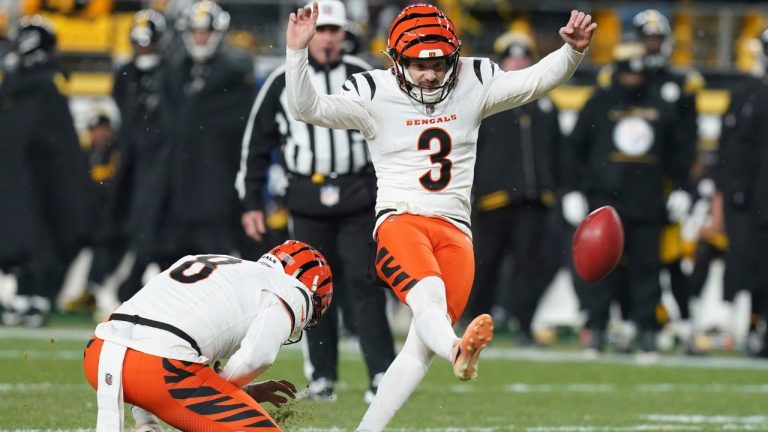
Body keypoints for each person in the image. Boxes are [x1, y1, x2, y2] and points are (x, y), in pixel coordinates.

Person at [284, 3, 595, 430]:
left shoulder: (474, 79)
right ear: (396, 60)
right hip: (401, 220)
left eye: (438, 64)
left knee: (418, 349)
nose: (429, 75)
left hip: (456, 231)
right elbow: (307, 108)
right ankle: (457, 351)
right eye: (417, 65)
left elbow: (532, 82)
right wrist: (296, 53)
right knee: (427, 300)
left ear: (454, 57)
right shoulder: (374, 93)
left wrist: (571, 53)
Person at [237, 0, 395, 402]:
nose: (326, 38)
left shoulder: (363, 75)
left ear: (345, 34)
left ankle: (381, 374)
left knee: (365, 283)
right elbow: (256, 144)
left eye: (333, 31)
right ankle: (322, 377)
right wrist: (252, 200)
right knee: (310, 290)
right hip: (306, 196)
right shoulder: (280, 79)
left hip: (359, 195)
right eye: (321, 30)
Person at [83, 240, 334, 431]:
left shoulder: (211, 262)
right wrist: (230, 385)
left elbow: (150, 328)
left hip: (99, 352)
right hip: (157, 368)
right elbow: (256, 358)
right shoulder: (291, 289)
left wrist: (237, 390)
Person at [561, 42, 693, 356]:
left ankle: (647, 329)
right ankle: (596, 327)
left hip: (647, 203)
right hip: (604, 203)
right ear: (618, 71)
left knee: (647, 272)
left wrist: (682, 188)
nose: (634, 77)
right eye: (628, 70)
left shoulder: (662, 105)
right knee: (599, 269)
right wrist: (572, 190)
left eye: (639, 71)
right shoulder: (599, 103)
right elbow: (574, 150)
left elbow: (679, 153)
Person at [468, 31, 563, 346]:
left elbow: (557, 150)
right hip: (493, 198)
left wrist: (557, 186)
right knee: (485, 265)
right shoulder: (485, 99)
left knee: (530, 265)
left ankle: (523, 322)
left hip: (533, 199)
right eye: (512, 56)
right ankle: (475, 322)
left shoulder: (544, 104)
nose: (518, 62)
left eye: (524, 57)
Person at [0, 15, 92, 327]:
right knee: (23, 236)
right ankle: (25, 294)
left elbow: (56, 147)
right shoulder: (24, 86)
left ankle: (36, 296)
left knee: (39, 236)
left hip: (39, 181)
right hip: (23, 179)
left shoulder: (41, 89)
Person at [159, 0, 255, 264]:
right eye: (196, 31)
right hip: (180, 185)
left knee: (218, 257)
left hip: (218, 183)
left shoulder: (234, 74)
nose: (200, 37)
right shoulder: (175, 71)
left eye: (205, 31)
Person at [110, 9, 173, 303]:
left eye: (148, 43)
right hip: (136, 162)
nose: (143, 49)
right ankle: (130, 289)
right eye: (139, 43)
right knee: (138, 225)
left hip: (165, 161)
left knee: (158, 230)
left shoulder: (172, 71)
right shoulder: (125, 75)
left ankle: (132, 289)